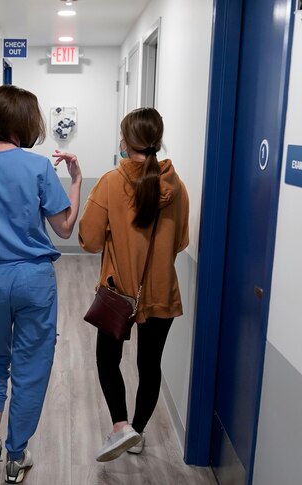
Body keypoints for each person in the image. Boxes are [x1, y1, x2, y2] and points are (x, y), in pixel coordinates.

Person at [0, 85, 82, 484]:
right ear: (26, 122)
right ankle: (16, 454)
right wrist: (74, 182)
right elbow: (64, 226)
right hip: (32, 279)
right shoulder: (39, 167)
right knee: (32, 364)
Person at [78, 108, 190, 462]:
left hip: (119, 291)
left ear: (126, 141)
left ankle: (120, 426)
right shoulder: (176, 184)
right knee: (150, 365)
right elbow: (181, 241)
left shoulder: (112, 182)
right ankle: (138, 434)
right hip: (161, 291)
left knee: (107, 360)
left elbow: (90, 240)